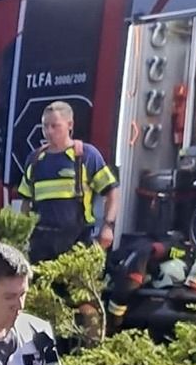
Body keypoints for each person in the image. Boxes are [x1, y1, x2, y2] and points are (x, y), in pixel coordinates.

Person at [18, 101, 120, 262]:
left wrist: (108, 227)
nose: (49, 132)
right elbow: (25, 202)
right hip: (41, 245)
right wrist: (22, 233)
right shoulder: (35, 159)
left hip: (78, 243)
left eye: (55, 126)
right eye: (45, 126)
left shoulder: (86, 155)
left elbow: (112, 192)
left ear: (70, 125)